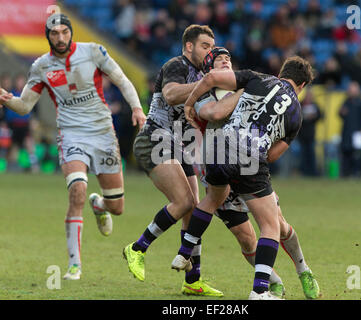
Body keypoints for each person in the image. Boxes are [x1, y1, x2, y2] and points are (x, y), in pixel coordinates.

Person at [0, 13, 146, 280]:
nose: (60, 38)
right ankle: (75, 265)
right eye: (54, 34)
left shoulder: (94, 52)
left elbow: (123, 80)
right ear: (48, 37)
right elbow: (25, 106)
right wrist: (8, 99)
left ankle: (100, 205)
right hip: (71, 135)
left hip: (103, 133)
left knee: (117, 207)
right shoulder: (41, 66)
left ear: (70, 33)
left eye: (64, 32)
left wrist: (137, 108)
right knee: (77, 190)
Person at [172, 56, 315, 300]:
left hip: (218, 148)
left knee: (212, 199)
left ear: (282, 72)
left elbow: (211, 78)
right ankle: (259, 291)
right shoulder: (296, 115)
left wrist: (190, 102)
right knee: (270, 225)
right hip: (250, 158)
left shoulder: (257, 77)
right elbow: (271, 156)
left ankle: (185, 251)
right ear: (301, 86)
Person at [122, 24, 223, 297]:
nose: (209, 52)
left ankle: (193, 280)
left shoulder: (204, 75)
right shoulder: (176, 65)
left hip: (179, 144)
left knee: (195, 211)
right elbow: (170, 94)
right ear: (189, 46)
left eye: (212, 47)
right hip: (155, 138)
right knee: (184, 203)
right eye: (205, 46)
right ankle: (137, 248)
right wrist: (208, 84)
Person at [338, 81, 361, 177]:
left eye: (352, 90)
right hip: (347, 131)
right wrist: (341, 113)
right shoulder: (346, 101)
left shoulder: (360, 103)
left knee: (356, 154)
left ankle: (357, 172)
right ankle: (346, 173)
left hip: (357, 133)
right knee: (346, 152)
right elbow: (340, 114)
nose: (350, 91)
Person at [298, 88, 322, 177]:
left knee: (311, 154)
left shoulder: (315, 105)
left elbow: (320, 115)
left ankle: (312, 172)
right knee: (303, 154)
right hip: (301, 134)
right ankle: (304, 172)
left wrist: (314, 117)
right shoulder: (300, 104)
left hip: (311, 134)